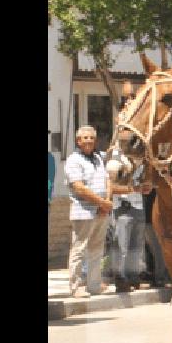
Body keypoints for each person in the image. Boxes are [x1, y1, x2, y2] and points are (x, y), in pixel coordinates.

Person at [65, 126, 114, 299]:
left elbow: (108, 180)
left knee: (96, 249)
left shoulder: (99, 158)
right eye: (84, 138)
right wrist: (102, 203)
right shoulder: (73, 160)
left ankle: (94, 285)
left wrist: (106, 203)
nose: (88, 141)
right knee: (79, 249)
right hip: (83, 212)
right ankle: (76, 286)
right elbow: (79, 187)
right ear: (78, 141)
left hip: (101, 211)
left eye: (91, 138)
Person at [106, 127, 153, 292]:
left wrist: (145, 186)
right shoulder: (115, 158)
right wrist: (136, 189)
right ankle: (120, 279)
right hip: (123, 207)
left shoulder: (142, 156)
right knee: (122, 246)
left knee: (136, 246)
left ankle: (133, 278)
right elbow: (112, 186)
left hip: (138, 205)